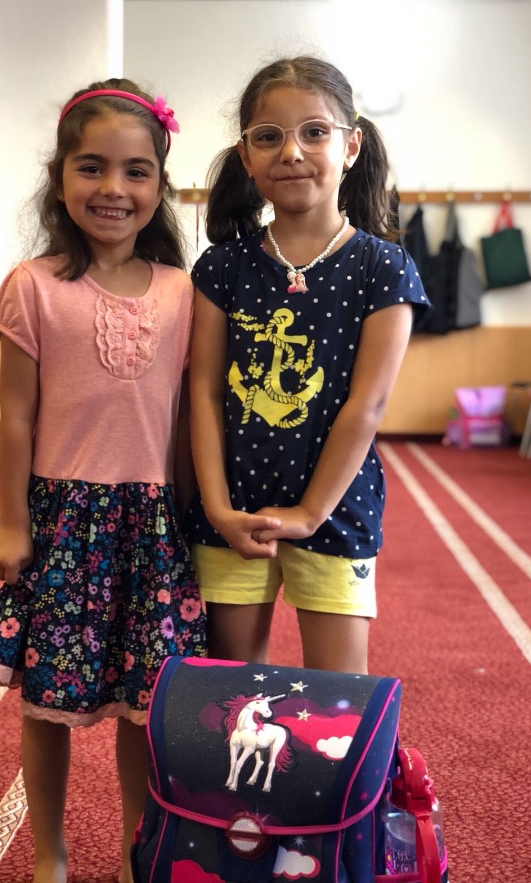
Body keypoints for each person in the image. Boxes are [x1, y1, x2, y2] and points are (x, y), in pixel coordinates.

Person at [0, 77, 206, 883]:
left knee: (146, 708)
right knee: (46, 705)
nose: (114, 188)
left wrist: (192, 519)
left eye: (137, 171)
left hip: (150, 525)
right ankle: (50, 859)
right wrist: (11, 522)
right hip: (63, 523)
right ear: (59, 175)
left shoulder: (181, 291)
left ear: (160, 185)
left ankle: (138, 854)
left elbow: (184, 419)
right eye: (92, 166)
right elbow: (15, 418)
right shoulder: (32, 286)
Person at [188, 56, 428, 676]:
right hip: (234, 510)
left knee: (338, 698)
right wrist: (216, 508)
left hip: (336, 508)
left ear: (351, 146)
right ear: (246, 156)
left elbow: (367, 405)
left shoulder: (383, 268)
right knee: (231, 694)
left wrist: (309, 513)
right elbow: (204, 393)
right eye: (269, 136)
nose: (291, 151)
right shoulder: (222, 268)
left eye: (314, 132)